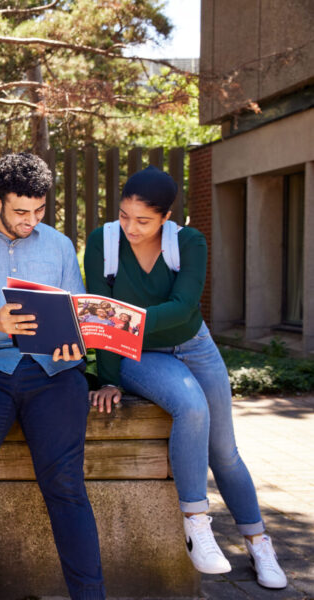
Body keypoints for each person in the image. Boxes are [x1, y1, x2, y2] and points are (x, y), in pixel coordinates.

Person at [84, 166, 287, 589]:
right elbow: (97, 319)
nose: (131, 227)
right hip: (139, 354)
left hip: (195, 347)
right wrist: (109, 379)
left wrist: (123, 320)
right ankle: (197, 524)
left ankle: (258, 541)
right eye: (124, 215)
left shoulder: (189, 242)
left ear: (166, 217)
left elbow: (183, 307)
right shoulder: (102, 243)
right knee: (191, 406)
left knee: (225, 452)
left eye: (143, 220)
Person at [0, 152, 105, 600]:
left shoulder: (60, 246)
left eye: (40, 210)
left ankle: (90, 595)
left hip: (52, 371)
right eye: (21, 211)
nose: (32, 220)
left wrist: (74, 340)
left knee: (65, 482)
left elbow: (78, 316)